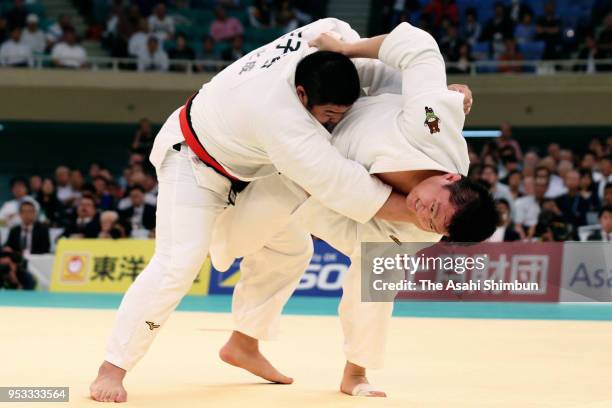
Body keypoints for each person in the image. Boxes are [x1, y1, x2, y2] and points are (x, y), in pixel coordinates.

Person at [90, 18, 427, 403]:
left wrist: (436, 98)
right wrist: (426, 213)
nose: (335, 123)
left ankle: (243, 344)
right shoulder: (280, 117)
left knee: (292, 250)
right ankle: (113, 366)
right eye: (330, 116)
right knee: (179, 261)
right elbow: (345, 187)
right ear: (302, 95)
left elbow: (389, 67)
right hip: (194, 162)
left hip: (256, 168)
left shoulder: (333, 42)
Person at [209, 23, 495, 398]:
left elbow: (373, 282)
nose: (421, 210)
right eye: (433, 205)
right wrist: (347, 48)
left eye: (432, 221)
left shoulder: (417, 229)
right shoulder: (434, 129)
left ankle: (354, 374)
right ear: (449, 176)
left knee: (376, 282)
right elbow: (419, 46)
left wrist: (357, 371)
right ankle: (243, 342)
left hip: (318, 193)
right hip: (318, 119)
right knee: (268, 249)